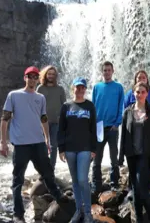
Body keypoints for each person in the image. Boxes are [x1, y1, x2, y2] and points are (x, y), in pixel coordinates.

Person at [0, 66, 67, 223]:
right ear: (25, 78)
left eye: (35, 77)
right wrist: (3, 142)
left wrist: (48, 140)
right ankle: (18, 214)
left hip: (38, 143)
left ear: (38, 79)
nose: (32, 79)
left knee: (48, 173)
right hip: (21, 145)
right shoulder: (13, 95)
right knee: (18, 180)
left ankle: (59, 197)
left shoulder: (40, 97)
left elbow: (44, 119)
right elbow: (4, 119)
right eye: (30, 76)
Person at [119, 82, 150, 223]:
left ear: (147, 93)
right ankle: (138, 219)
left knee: (141, 189)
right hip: (131, 155)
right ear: (133, 93)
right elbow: (123, 135)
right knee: (136, 190)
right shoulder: (127, 112)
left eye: (143, 92)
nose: (140, 94)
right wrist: (120, 157)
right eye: (137, 92)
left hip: (145, 155)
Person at [58, 77, 97, 223]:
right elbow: (61, 129)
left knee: (82, 179)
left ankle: (87, 212)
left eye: (82, 88)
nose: (80, 90)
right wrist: (61, 149)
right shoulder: (66, 106)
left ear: (85, 89)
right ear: (72, 88)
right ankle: (78, 210)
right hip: (69, 149)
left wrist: (94, 148)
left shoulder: (90, 106)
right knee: (75, 181)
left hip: (85, 149)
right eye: (77, 87)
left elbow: (94, 129)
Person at [92, 61, 124, 193]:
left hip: (112, 128)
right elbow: (93, 106)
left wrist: (117, 124)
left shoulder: (118, 87)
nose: (107, 72)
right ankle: (96, 184)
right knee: (97, 157)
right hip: (99, 127)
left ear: (113, 71)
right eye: (104, 70)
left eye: (109, 70)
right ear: (102, 72)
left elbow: (121, 106)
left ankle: (114, 183)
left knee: (113, 157)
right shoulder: (96, 87)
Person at [37, 65, 66, 169]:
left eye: (53, 74)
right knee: (43, 145)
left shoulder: (60, 89)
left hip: (56, 122)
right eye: (49, 74)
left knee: (54, 146)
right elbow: (37, 106)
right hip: (43, 122)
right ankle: (43, 168)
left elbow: (64, 106)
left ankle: (51, 169)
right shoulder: (40, 88)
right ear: (45, 74)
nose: (51, 76)